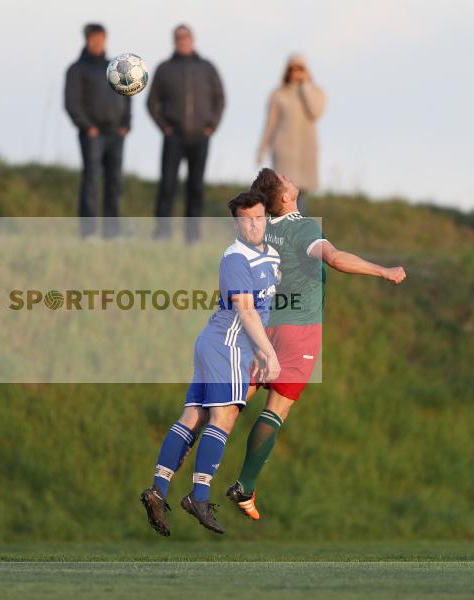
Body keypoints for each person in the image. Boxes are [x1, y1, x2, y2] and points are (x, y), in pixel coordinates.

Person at [225, 168, 406, 520]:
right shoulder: (302, 227)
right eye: (286, 179)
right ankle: (244, 485)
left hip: (262, 328)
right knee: (275, 410)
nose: (292, 178)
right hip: (298, 332)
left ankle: (188, 463)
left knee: (230, 404)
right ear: (284, 198)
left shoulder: (262, 231)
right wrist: (383, 271)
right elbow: (336, 258)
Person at [141, 191, 281, 536]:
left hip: (215, 343)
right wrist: (269, 353)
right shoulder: (236, 258)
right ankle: (199, 496)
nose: (253, 225)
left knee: (194, 416)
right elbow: (246, 311)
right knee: (224, 417)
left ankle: (158, 491)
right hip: (228, 345)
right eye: (245, 219)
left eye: (258, 217)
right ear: (235, 223)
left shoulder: (272, 254)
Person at [148, 24, 225, 242]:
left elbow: (219, 99)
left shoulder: (207, 68)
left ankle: (193, 236)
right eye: (179, 37)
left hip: (200, 137)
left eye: (186, 37)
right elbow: (151, 102)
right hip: (174, 137)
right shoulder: (164, 68)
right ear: (174, 41)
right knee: (168, 185)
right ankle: (162, 233)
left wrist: (212, 125)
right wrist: (165, 127)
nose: (183, 41)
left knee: (196, 186)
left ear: (193, 39)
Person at [64, 23, 131, 239]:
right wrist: (87, 126)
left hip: (116, 133)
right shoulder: (77, 69)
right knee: (91, 181)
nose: (98, 43)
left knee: (114, 183)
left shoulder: (116, 67)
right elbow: (71, 103)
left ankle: (112, 233)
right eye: (94, 39)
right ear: (86, 40)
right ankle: (88, 232)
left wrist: (125, 124)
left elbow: (127, 92)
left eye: (101, 38)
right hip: (92, 134)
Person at [257, 54, 326, 212]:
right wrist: (262, 149)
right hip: (284, 152)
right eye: (293, 69)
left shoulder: (316, 92)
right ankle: (283, 230)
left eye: (300, 68)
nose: (296, 72)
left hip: (305, 153)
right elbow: (270, 123)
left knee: (299, 193)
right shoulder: (278, 94)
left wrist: (305, 86)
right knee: (284, 192)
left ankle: (297, 230)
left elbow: (316, 111)